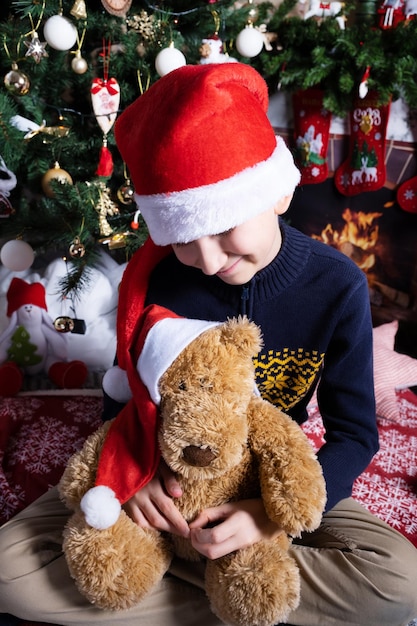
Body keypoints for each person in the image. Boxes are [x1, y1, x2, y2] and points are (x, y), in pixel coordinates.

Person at [0, 63, 416, 626]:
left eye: (223, 228)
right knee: (8, 573)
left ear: (277, 192)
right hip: (161, 473)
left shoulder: (337, 285)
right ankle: (236, 595)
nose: (213, 262)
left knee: (400, 585)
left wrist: (267, 517)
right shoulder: (160, 280)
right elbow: (124, 396)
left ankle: (194, 583)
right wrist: (134, 480)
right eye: (185, 242)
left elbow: (354, 434)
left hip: (263, 479)